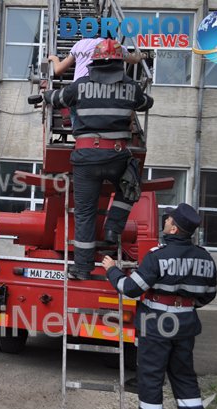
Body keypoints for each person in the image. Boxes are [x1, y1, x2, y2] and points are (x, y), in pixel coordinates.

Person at [44, 38, 154, 280]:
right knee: (130, 186)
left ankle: (82, 268)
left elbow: (56, 99)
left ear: (94, 62)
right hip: (116, 158)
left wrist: (44, 93)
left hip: (85, 160)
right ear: (119, 63)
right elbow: (147, 103)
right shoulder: (131, 87)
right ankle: (113, 227)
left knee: (84, 213)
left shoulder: (80, 86)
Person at [102, 203, 217, 409]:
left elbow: (131, 288)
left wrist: (112, 269)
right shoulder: (205, 258)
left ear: (173, 229)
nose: (165, 221)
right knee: (185, 379)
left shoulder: (157, 256)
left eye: (169, 220)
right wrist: (183, 305)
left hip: (157, 325)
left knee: (151, 380)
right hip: (185, 325)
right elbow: (208, 294)